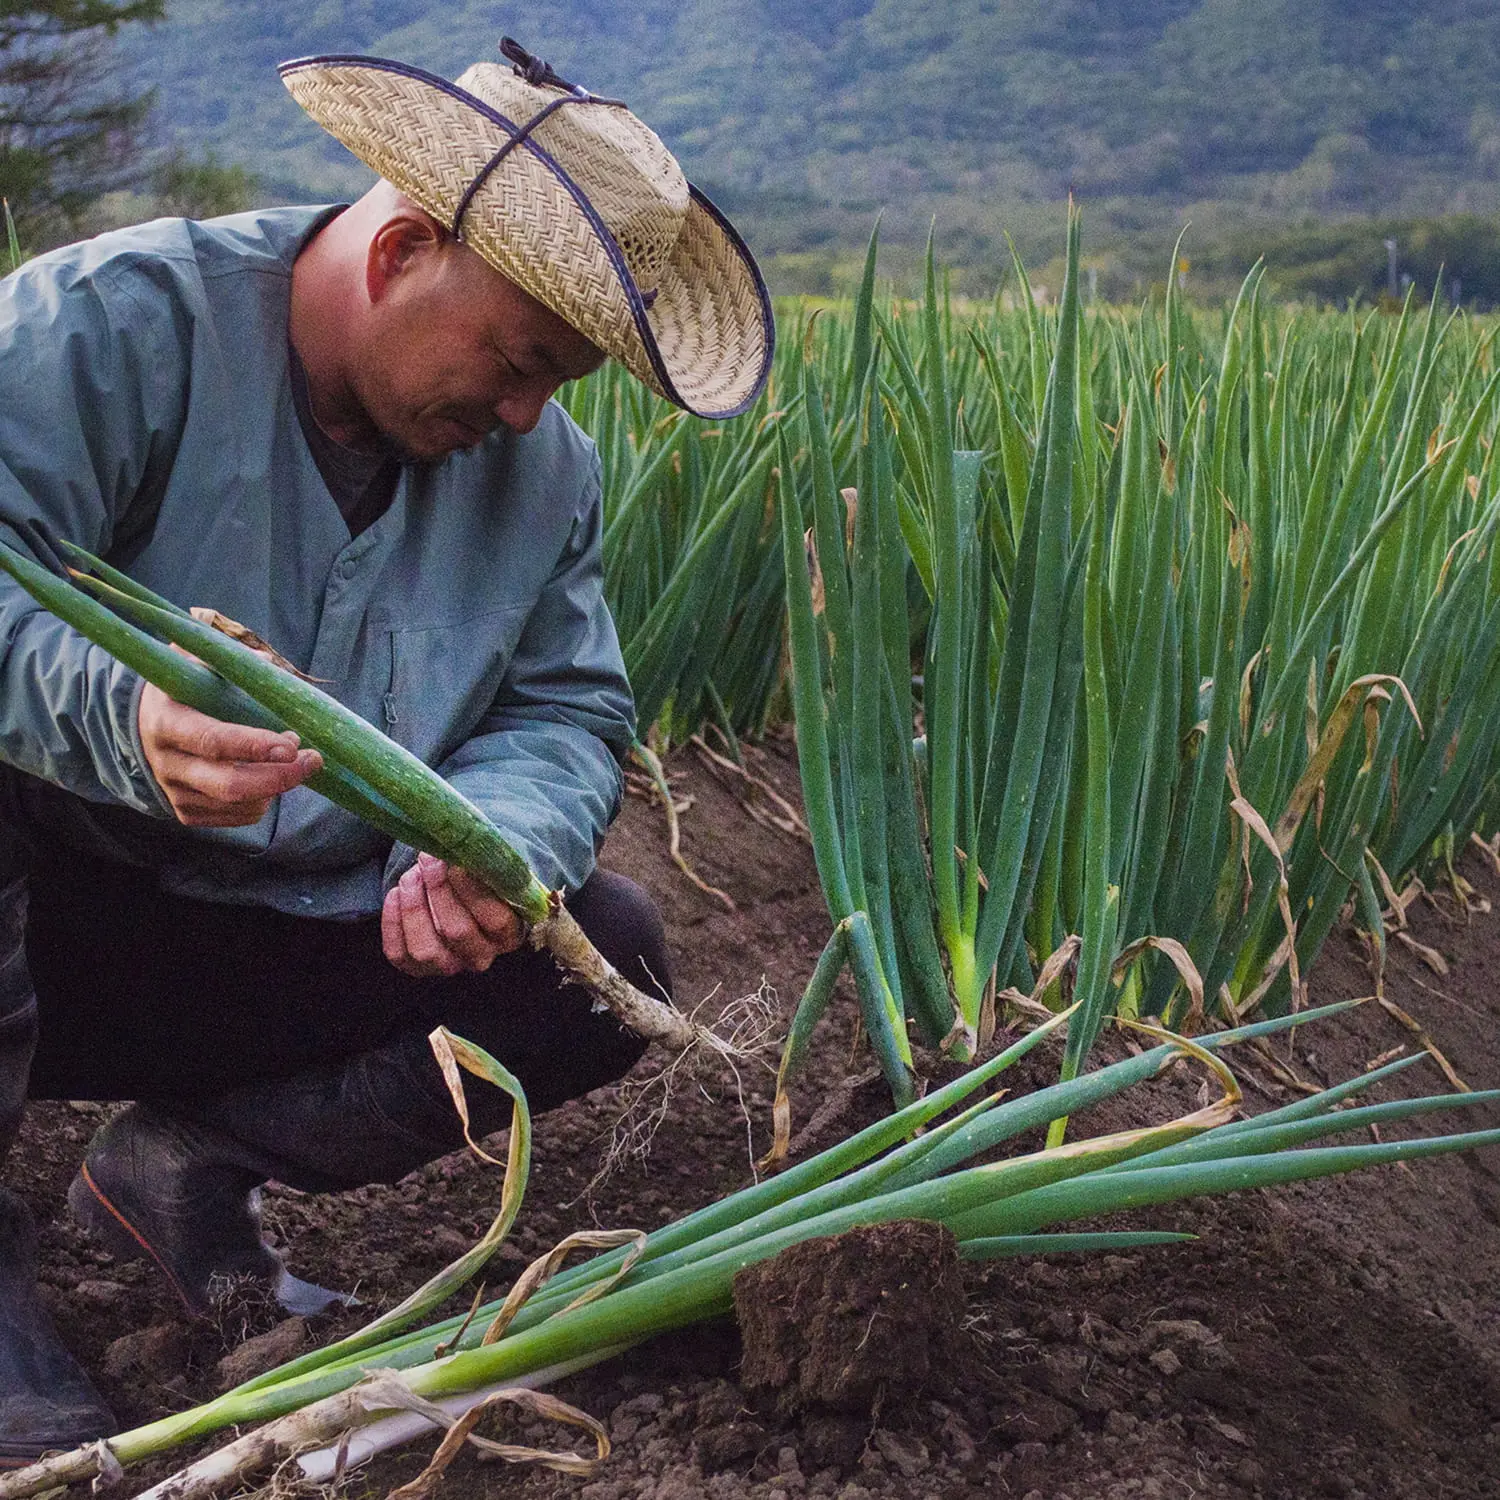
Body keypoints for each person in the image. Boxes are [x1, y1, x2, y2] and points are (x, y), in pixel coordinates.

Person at [0, 39, 773, 1460]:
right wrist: (115, 715)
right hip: (50, 925)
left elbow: (568, 713)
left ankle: (183, 1169)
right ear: (405, 249)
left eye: (566, 383)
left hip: (284, 933)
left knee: (605, 957)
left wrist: (490, 842)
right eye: (524, 362)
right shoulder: (109, 328)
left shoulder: (541, 478)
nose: (530, 416)